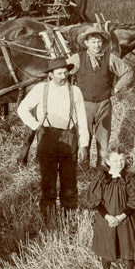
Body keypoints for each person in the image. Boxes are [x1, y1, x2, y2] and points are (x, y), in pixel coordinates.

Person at [17, 57, 90, 218]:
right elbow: (22, 109)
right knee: (48, 180)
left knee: (69, 179)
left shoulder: (75, 91)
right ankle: (48, 215)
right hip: (47, 138)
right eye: (59, 74)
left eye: (65, 73)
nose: (63, 77)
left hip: (70, 137)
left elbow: (82, 119)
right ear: (50, 75)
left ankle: (69, 214)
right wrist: (36, 126)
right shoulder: (40, 89)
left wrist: (84, 144)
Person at [69, 27, 133, 169]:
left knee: (103, 140)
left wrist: (116, 89)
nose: (96, 45)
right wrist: (70, 92)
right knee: (83, 139)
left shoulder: (110, 58)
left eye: (99, 41)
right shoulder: (77, 59)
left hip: (104, 104)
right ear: (86, 43)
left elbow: (128, 72)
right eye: (93, 41)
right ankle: (82, 168)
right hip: (84, 105)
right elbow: (61, 71)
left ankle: (102, 169)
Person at [87, 147, 135, 269]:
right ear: (108, 161)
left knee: (128, 248)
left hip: (126, 219)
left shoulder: (129, 179)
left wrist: (120, 217)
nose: (119, 163)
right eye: (115, 160)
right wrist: (108, 217)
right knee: (106, 247)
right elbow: (95, 201)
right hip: (106, 219)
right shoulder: (101, 179)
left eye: (122, 160)